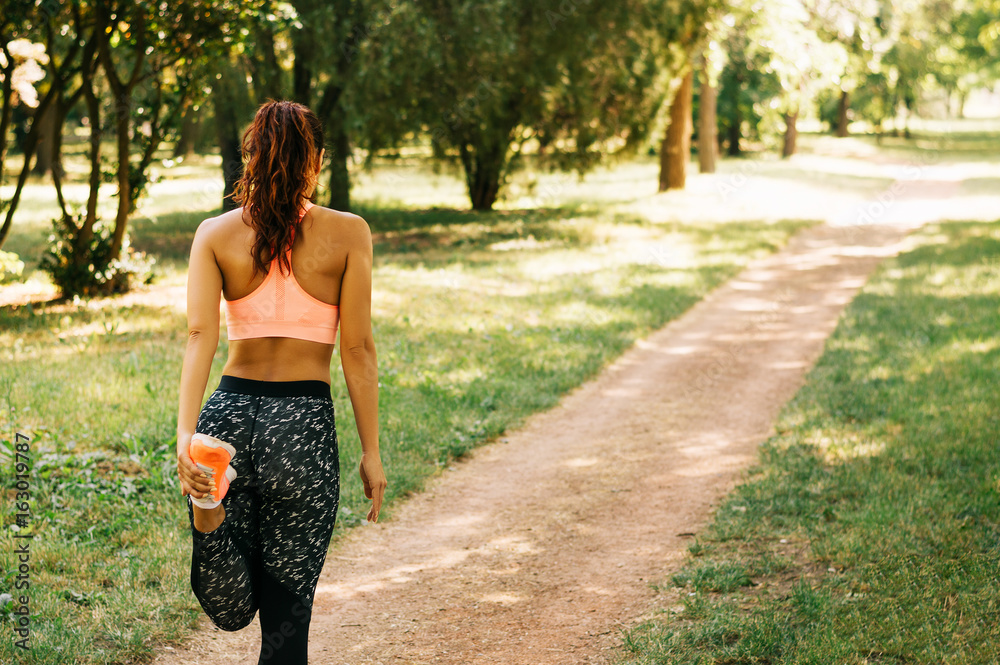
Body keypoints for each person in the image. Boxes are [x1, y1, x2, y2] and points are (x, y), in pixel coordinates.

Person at [174, 100, 386, 664]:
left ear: (251, 156)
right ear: (314, 160)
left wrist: (185, 437)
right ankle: (213, 512)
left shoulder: (215, 234)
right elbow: (358, 350)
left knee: (231, 609)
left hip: (227, 422)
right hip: (302, 430)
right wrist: (371, 451)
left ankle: (210, 511)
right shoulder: (348, 233)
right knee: (284, 628)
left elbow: (200, 337)